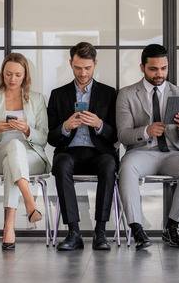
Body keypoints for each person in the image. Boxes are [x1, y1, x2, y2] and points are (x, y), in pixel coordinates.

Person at [116, 44, 179, 250]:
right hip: (141, 152)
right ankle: (137, 229)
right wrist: (146, 131)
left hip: (172, 153)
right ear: (142, 67)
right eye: (153, 69)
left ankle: (172, 227)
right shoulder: (127, 94)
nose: (159, 74)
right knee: (126, 168)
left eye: (163, 68)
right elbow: (123, 134)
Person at [48, 42, 118, 251]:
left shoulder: (109, 93)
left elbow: (116, 135)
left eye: (87, 68)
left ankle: (101, 232)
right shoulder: (58, 95)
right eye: (78, 68)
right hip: (70, 152)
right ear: (71, 64)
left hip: (99, 152)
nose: (83, 73)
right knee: (60, 164)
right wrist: (66, 127)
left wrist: (100, 125)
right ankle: (74, 232)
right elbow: (51, 138)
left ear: (95, 64)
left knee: (109, 164)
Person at [0, 53, 50, 250]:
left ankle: (9, 225)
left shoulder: (37, 99)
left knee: (16, 150)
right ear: (2, 73)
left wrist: (27, 130)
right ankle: (29, 200)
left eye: (18, 75)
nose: (12, 79)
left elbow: (44, 137)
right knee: (13, 148)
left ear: (25, 75)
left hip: (32, 156)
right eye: (8, 74)